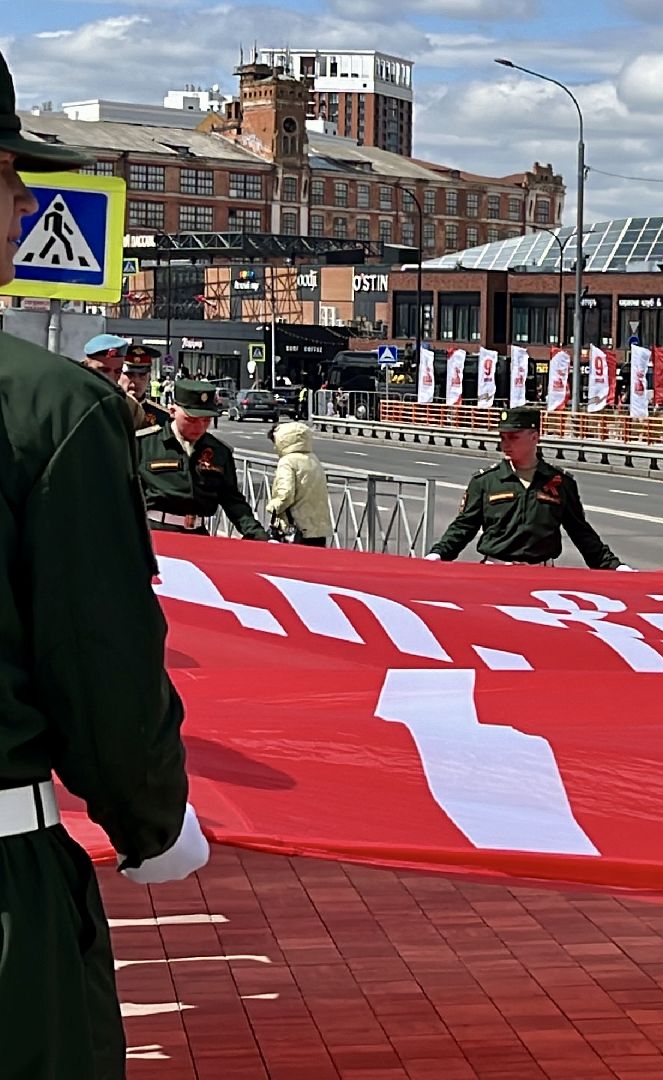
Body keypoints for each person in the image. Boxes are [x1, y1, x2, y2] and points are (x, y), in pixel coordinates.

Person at [0, 50, 208, 1075]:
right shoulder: (49, 411)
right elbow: (101, 669)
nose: (23, 206)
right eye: (12, 180)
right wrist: (152, 823)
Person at [428, 406, 631, 569]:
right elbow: (464, 527)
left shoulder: (560, 482)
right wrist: (437, 555)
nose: (505, 444)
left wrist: (614, 567)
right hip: (495, 572)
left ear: (534, 437)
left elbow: (581, 532)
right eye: (502, 438)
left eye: (514, 437)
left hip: (541, 577)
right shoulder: (486, 482)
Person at [136, 379, 271, 539]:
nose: (199, 427)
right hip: (155, 532)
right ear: (172, 411)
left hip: (198, 535)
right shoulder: (144, 444)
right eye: (191, 420)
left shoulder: (219, 451)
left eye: (206, 420)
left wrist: (258, 535)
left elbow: (232, 500)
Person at [265, 421, 333, 546]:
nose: (275, 447)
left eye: (275, 443)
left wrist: (272, 507)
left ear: (283, 441)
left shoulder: (287, 462)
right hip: (318, 528)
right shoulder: (313, 459)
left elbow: (285, 495)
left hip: (297, 528)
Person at [120, 345, 165, 433]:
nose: (136, 380)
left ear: (149, 377)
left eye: (142, 375)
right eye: (130, 374)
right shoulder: (105, 412)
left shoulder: (162, 417)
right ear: (118, 375)